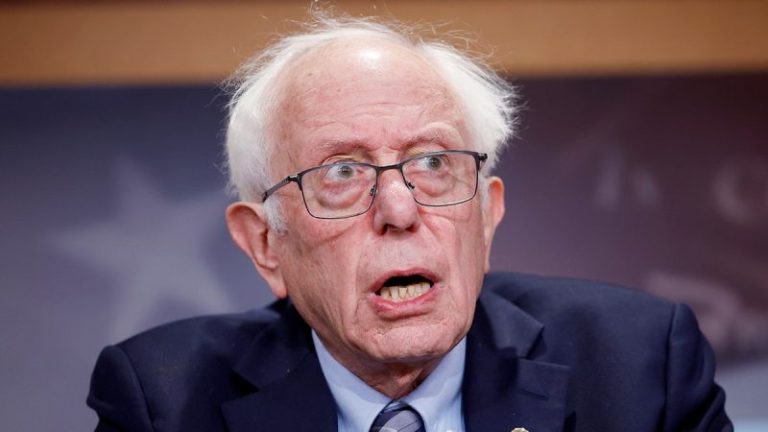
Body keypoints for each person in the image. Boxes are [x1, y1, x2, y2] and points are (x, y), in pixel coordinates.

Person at [87, 15, 732, 432]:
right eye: (342, 173)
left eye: (432, 163)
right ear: (264, 245)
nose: (398, 212)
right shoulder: (163, 404)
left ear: (487, 216)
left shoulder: (640, 368)